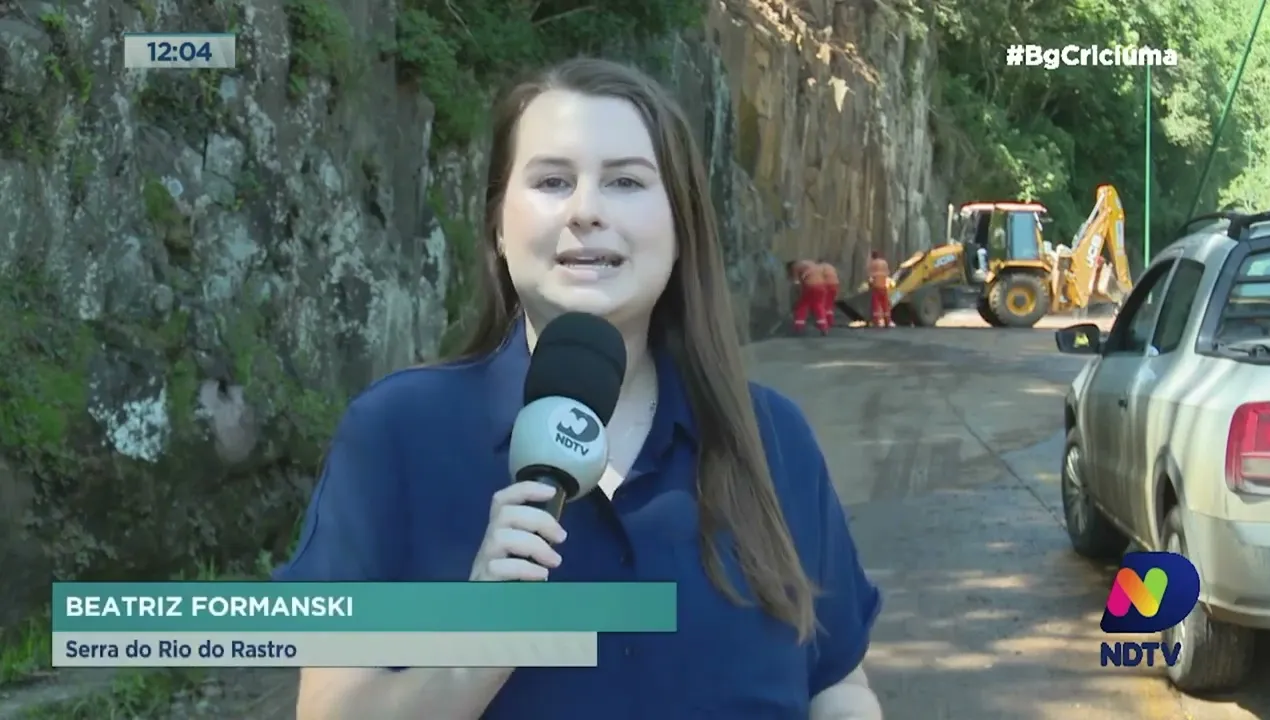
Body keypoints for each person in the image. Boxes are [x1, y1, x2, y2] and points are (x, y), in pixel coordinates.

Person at [277, 58, 883, 719]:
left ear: (682, 229)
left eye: (625, 182)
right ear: (498, 227)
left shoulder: (773, 440)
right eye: (552, 181)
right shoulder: (395, 436)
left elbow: (839, 686)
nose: (586, 211)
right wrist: (470, 652)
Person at [786, 258, 830, 334]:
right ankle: (824, 327)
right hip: (822, 287)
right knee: (818, 306)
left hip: (810, 286)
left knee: (802, 305)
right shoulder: (810, 263)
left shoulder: (795, 266)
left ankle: (798, 327)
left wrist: (797, 292)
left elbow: (796, 282)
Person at [868, 251, 891, 328]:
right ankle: (887, 322)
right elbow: (887, 274)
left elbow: (871, 278)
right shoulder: (884, 263)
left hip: (876, 287)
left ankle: (876, 322)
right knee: (885, 305)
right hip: (884, 287)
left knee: (876, 305)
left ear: (872, 257)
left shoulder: (873, 263)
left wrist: (869, 284)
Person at [818, 259, 840, 328]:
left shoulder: (820, 267)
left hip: (827, 285)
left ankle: (824, 322)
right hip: (835, 285)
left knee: (823, 304)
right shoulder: (831, 267)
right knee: (830, 305)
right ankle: (830, 321)